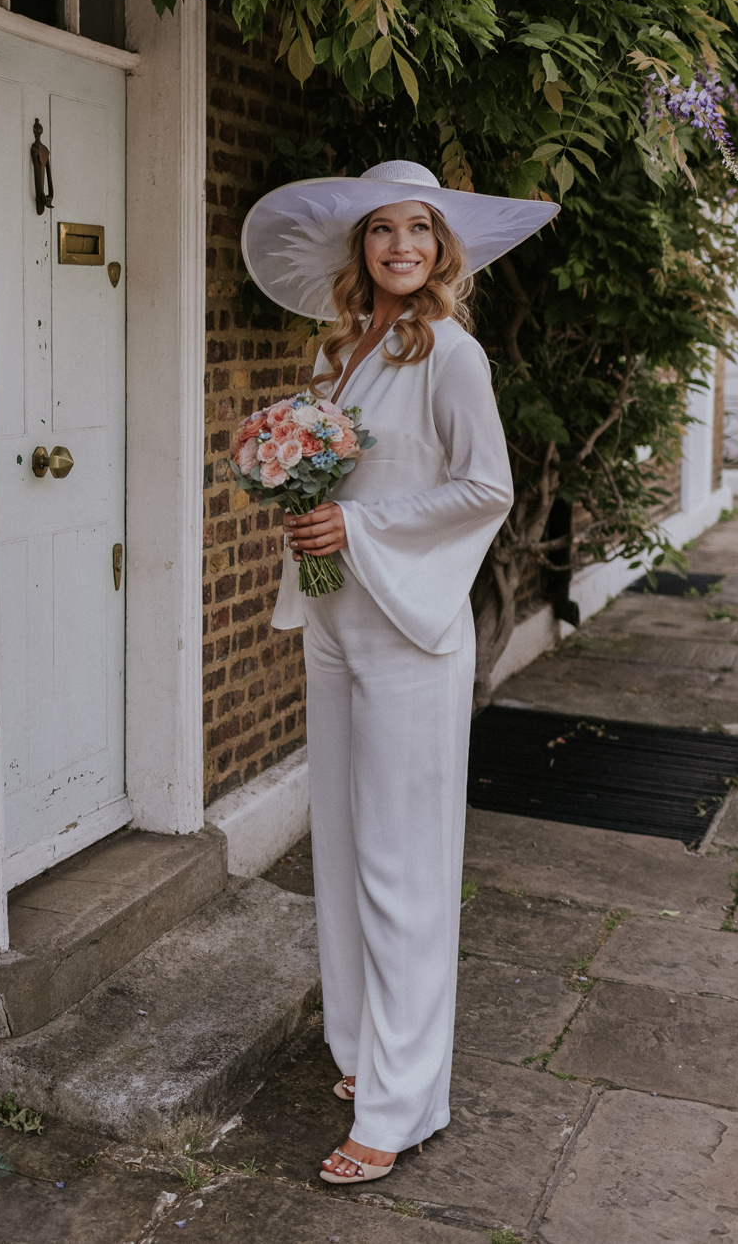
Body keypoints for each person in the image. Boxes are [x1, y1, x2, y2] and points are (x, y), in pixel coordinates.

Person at [240, 160, 558, 1185]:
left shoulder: (452, 352)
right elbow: (337, 466)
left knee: (401, 863)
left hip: (408, 629)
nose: (400, 247)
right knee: (339, 841)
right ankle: (365, 1048)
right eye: (382, 230)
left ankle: (403, 1099)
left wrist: (360, 521)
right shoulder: (343, 350)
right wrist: (304, 501)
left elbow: (486, 487)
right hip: (333, 612)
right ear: (361, 247)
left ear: (441, 246)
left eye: (418, 229)